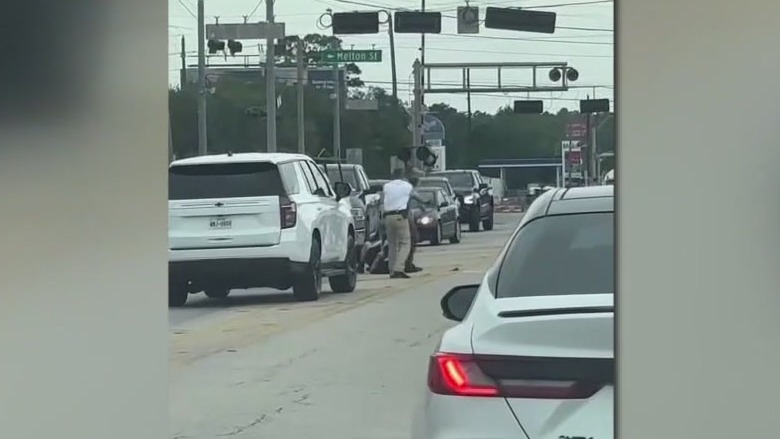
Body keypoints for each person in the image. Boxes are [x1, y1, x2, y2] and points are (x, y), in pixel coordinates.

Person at [382, 168, 419, 278]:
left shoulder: (386, 186)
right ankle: (399, 269)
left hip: (388, 216)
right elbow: (415, 196)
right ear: (403, 176)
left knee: (392, 244)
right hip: (400, 216)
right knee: (405, 243)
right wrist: (425, 202)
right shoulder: (407, 186)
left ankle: (392, 269)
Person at [404, 175, 423, 273]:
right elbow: (417, 198)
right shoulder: (410, 189)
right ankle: (408, 263)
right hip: (407, 217)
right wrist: (425, 203)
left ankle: (402, 264)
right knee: (413, 239)